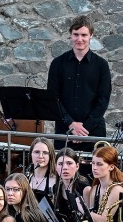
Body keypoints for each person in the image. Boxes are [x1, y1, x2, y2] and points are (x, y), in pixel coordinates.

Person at [47, 15, 111, 150]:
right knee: (62, 170)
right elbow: (53, 98)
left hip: (93, 131)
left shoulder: (101, 65)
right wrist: (70, 124)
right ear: (71, 35)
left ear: (91, 35)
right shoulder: (58, 63)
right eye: (76, 34)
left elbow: (103, 100)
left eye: (84, 35)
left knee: (93, 171)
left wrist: (84, 129)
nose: (79, 39)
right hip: (64, 130)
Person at [27, 137, 58, 202]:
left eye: (45, 153)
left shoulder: (56, 181)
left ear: (51, 156)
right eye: (37, 152)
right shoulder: (26, 177)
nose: (40, 156)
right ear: (31, 154)